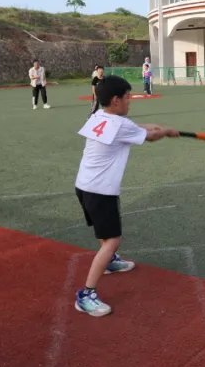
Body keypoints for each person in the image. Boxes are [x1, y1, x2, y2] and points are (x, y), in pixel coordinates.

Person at [73, 75, 179, 317]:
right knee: (112, 239)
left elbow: (135, 127)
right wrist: (165, 132)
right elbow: (148, 136)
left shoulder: (98, 117)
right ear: (115, 100)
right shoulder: (121, 126)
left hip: (84, 186)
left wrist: (156, 127)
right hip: (100, 190)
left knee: (105, 232)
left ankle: (109, 261)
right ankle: (86, 295)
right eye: (127, 97)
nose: (130, 101)